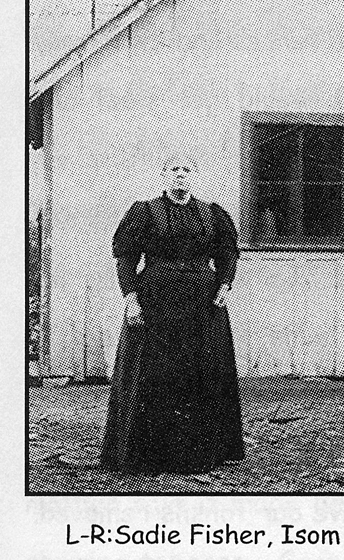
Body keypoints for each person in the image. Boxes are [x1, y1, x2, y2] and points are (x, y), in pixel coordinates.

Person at [99, 154, 244, 474]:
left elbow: (228, 253)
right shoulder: (144, 212)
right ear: (164, 176)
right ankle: (149, 455)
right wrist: (131, 299)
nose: (180, 175)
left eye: (186, 170)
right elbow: (125, 257)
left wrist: (225, 285)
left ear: (195, 175)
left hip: (203, 305)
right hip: (157, 302)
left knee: (201, 370)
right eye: (174, 170)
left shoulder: (212, 214)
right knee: (155, 372)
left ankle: (201, 454)